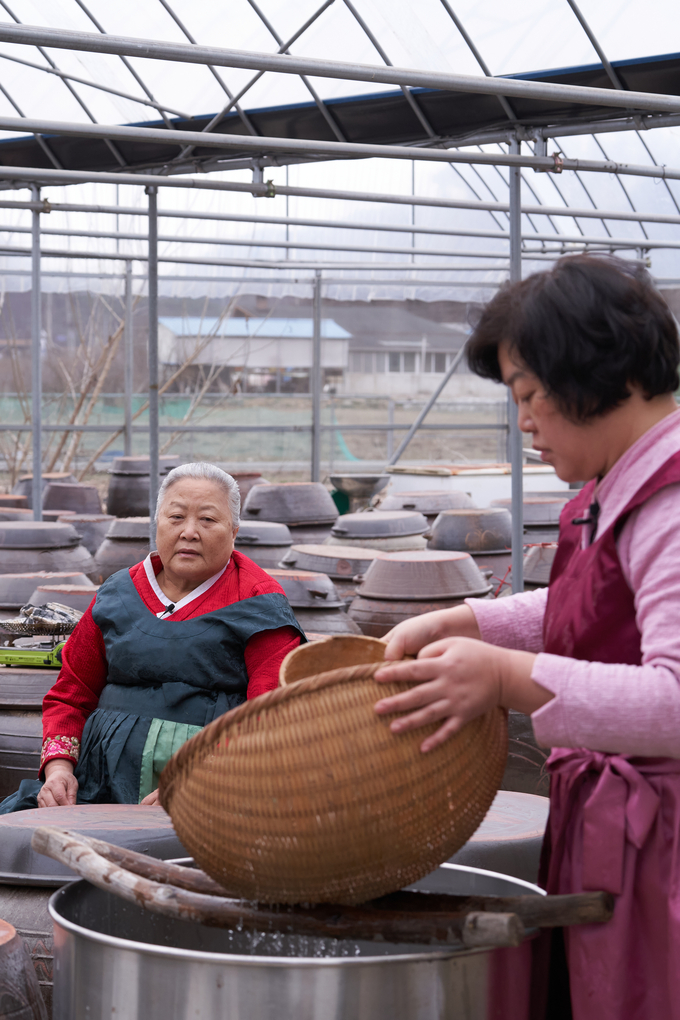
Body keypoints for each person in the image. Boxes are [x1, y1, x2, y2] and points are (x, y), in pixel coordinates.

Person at [373, 254, 680, 1020]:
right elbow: (596, 610)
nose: (525, 422)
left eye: (531, 394)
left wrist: (509, 679)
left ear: (603, 371)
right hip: (621, 835)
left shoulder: (671, 504)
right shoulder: (619, 487)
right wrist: (470, 619)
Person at [1, 462, 304, 812]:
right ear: (157, 523)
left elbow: (269, 715)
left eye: (208, 520)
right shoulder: (118, 593)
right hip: (95, 785)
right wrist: (58, 771)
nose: (189, 532)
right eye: (176, 517)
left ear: (233, 531)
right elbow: (71, 694)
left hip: (214, 792)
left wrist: (202, 780)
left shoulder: (258, 602)